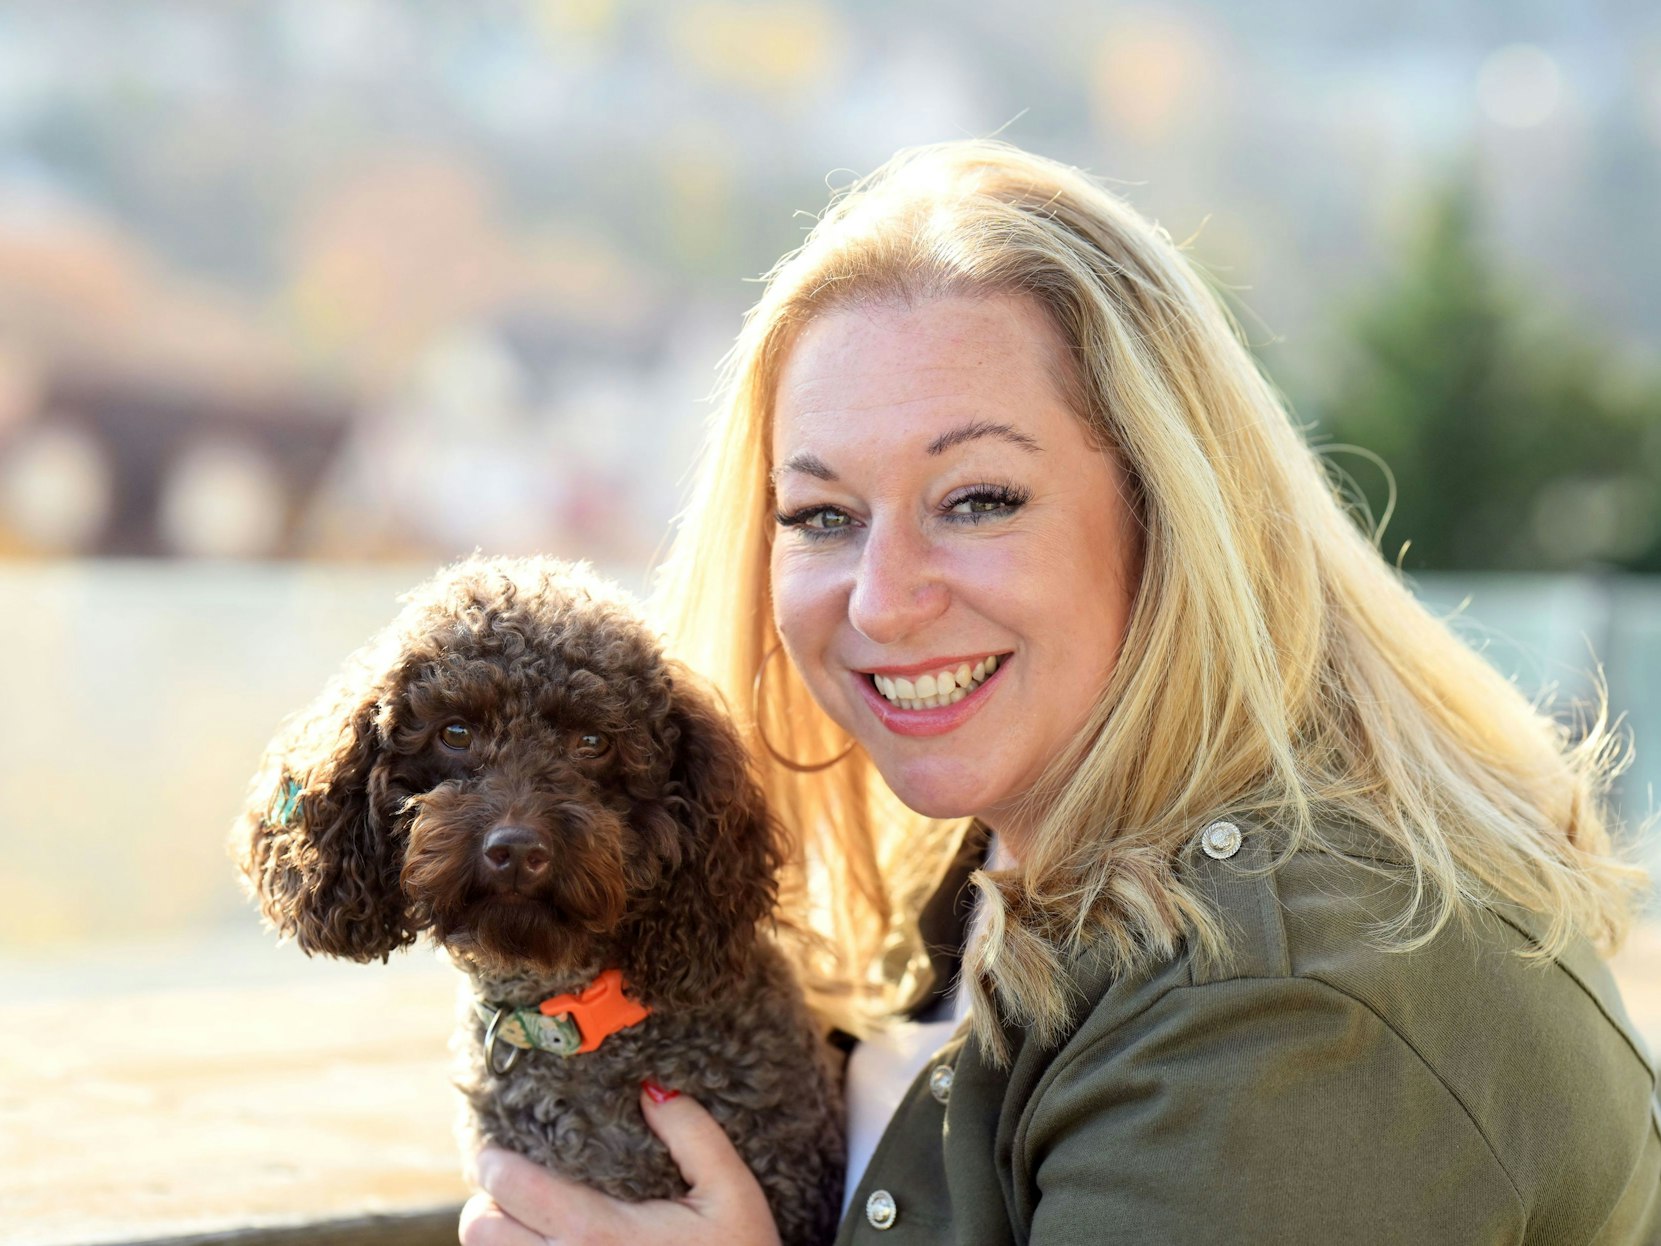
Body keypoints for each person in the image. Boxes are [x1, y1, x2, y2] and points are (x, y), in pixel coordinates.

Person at [460, 141, 1661, 1245]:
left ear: (1172, 512)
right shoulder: (984, 868)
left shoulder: (1282, 1009)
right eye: (822, 515)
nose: (880, 600)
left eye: (977, 498)